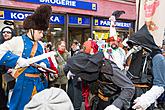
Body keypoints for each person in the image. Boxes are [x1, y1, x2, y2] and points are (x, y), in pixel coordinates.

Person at [0, 4, 52, 110]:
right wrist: (18, 60)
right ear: (31, 30)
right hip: (22, 83)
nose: (42, 35)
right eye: (40, 32)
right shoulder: (17, 40)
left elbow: (45, 60)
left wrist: (43, 64)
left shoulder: (41, 45)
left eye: (43, 32)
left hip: (39, 83)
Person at [64, 40, 135, 110]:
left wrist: (116, 105)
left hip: (112, 102)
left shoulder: (109, 69)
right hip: (99, 101)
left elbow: (129, 87)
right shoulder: (89, 67)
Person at [126, 25, 165, 110]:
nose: (134, 48)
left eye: (136, 45)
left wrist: (146, 100)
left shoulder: (158, 58)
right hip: (130, 95)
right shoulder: (136, 56)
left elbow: (160, 85)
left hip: (144, 95)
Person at [0, 21, 15, 110]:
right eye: (4, 32)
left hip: (12, 74)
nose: (6, 34)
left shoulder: (16, 45)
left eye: (8, 32)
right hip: (1, 74)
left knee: (11, 92)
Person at [67, 40, 83, 110]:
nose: (72, 47)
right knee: (72, 92)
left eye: (74, 45)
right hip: (72, 76)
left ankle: (76, 107)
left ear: (77, 45)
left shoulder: (79, 53)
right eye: (72, 45)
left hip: (77, 76)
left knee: (77, 93)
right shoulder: (73, 53)